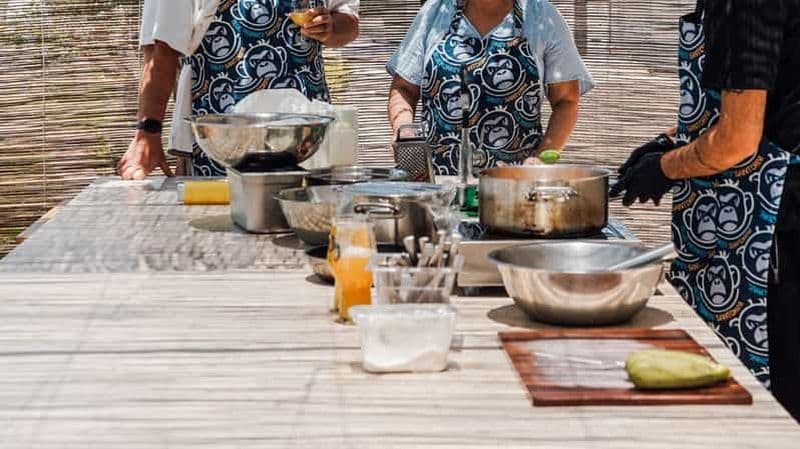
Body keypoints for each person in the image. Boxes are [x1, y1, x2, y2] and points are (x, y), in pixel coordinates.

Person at [612, 0, 800, 421]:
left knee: (776, 405)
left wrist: (663, 168)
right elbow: (761, 99)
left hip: (775, 229)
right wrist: (668, 141)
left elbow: (737, 139)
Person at [118, 0, 360, 180]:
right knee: (222, 224)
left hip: (307, 131)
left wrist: (331, 27)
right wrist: (148, 132)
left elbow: (349, 20)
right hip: (223, 132)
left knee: (308, 218)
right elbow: (162, 44)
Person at [386, 0, 592, 176]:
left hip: (514, 190)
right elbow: (404, 88)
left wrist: (540, 163)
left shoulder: (540, 16)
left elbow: (566, 100)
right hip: (436, 188)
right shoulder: (436, 12)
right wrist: (405, 132)